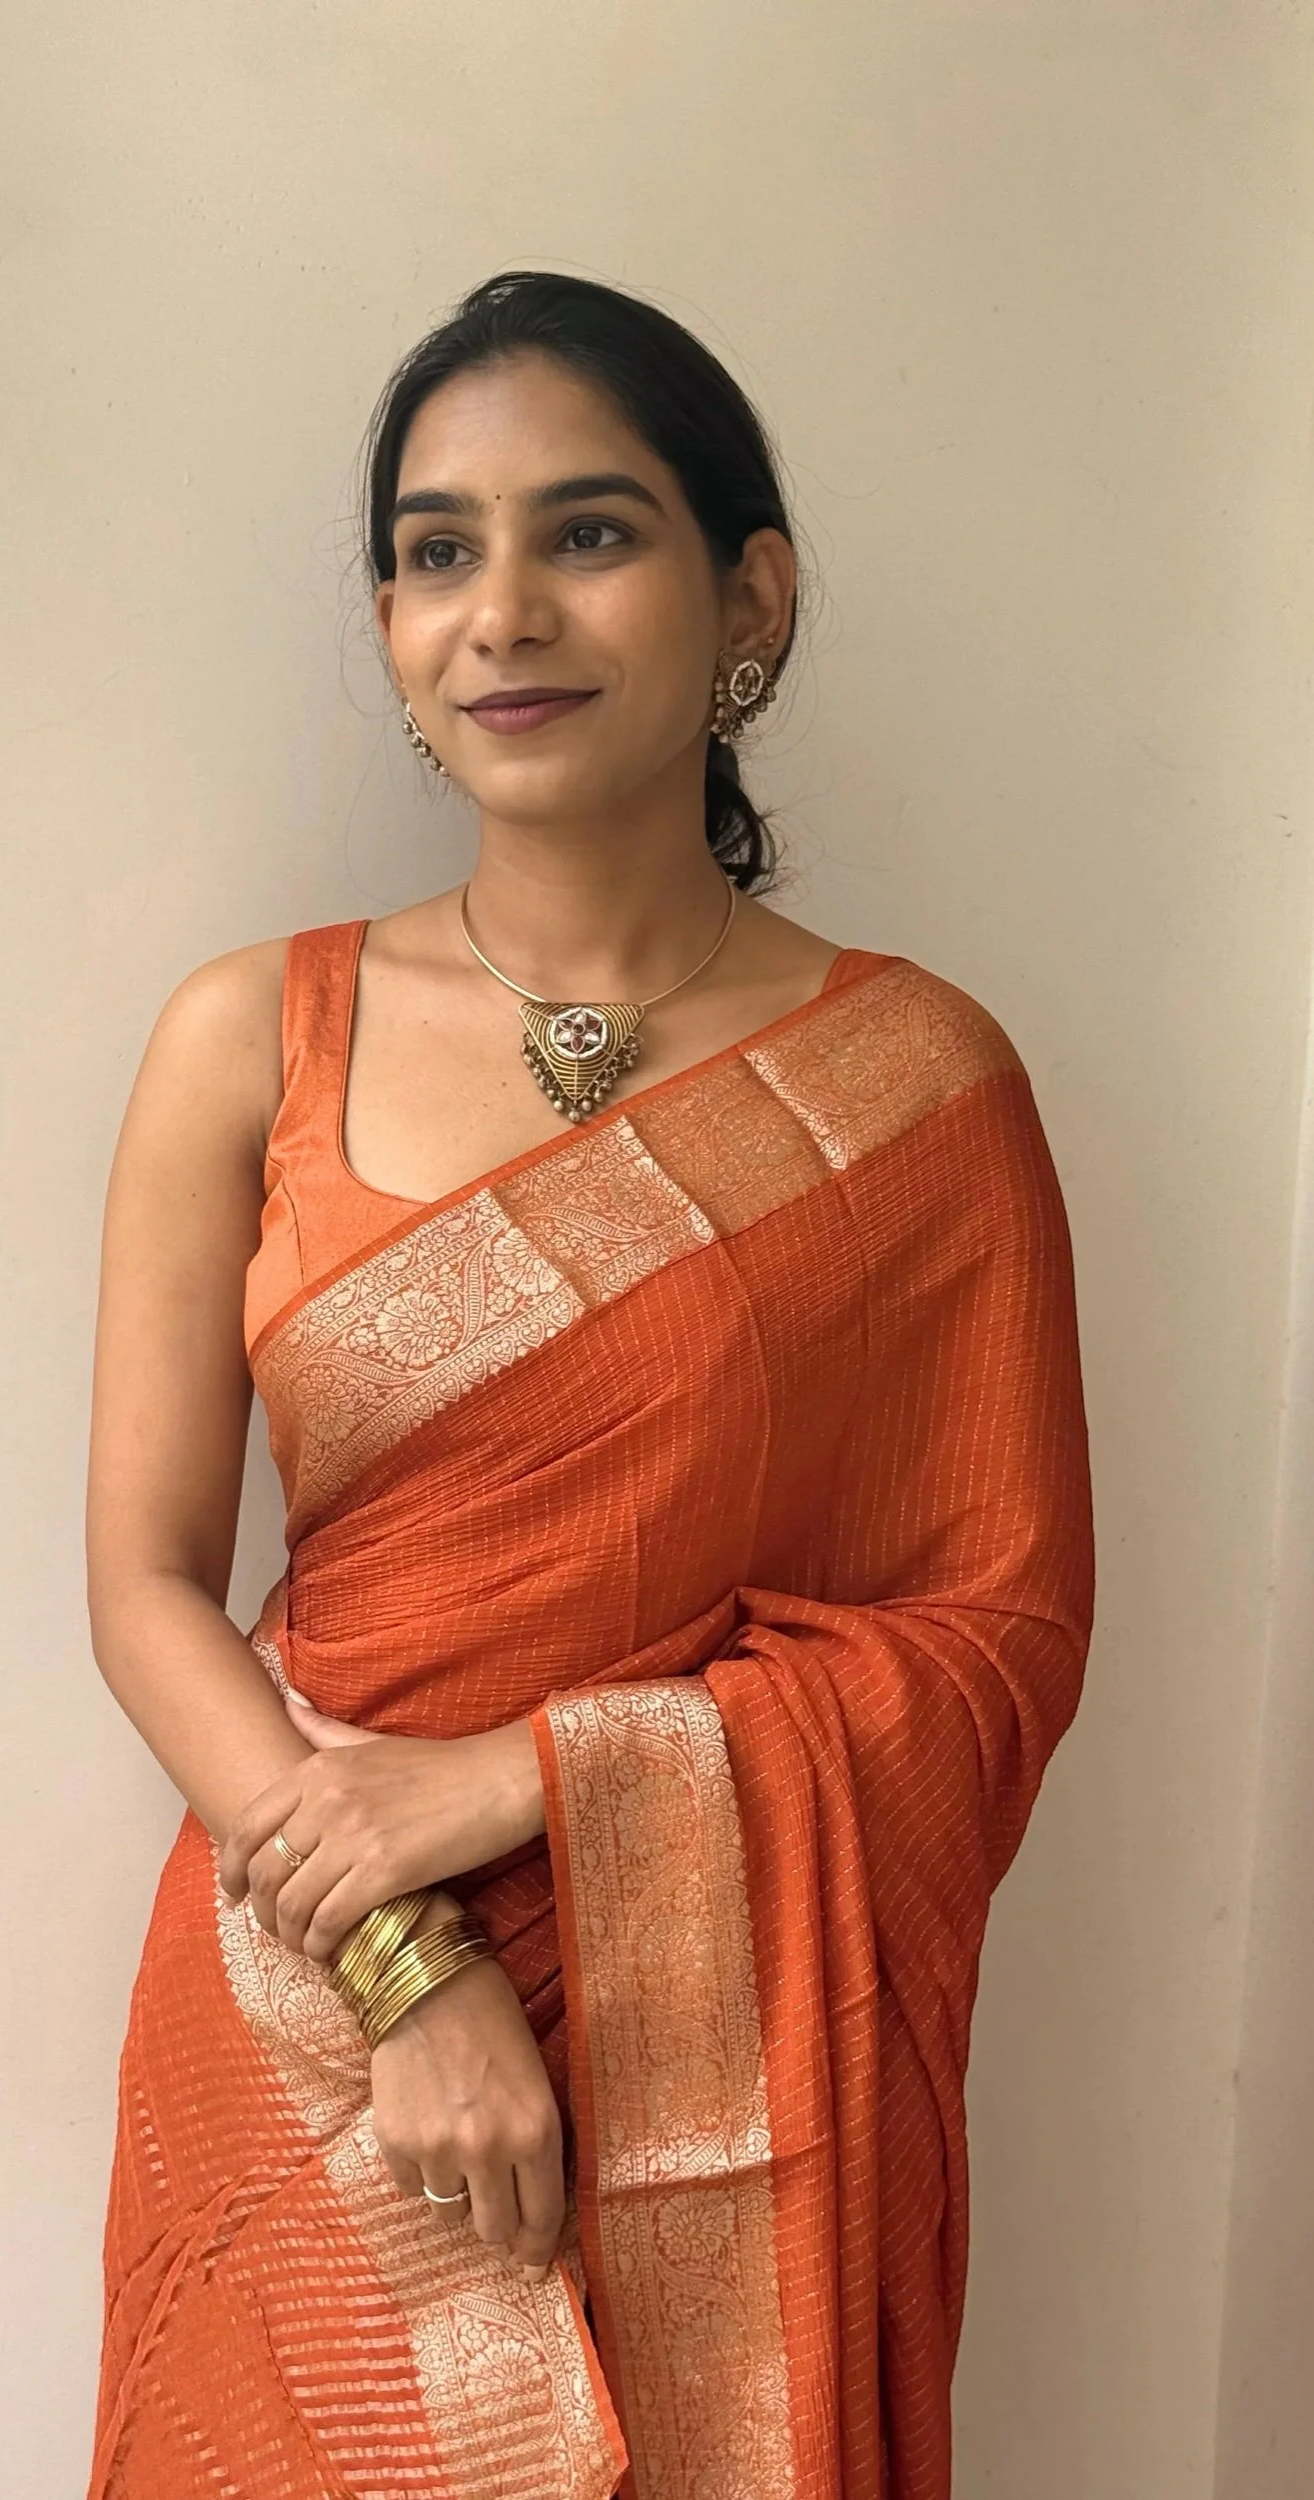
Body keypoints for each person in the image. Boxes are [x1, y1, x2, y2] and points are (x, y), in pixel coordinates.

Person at [85, 269, 1094, 2500]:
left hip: (730, 2035)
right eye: (437, 550)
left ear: (752, 598)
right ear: (390, 625)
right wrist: (401, 1960)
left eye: (593, 531)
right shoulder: (250, 1037)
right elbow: (146, 1589)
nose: (505, 611)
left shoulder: (918, 1087)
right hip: (306, 1990)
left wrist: (520, 1780)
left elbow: (996, 1638)